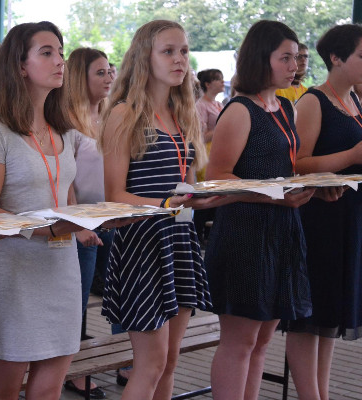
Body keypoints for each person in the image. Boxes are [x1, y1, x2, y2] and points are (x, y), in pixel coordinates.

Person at [0, 21, 131, 400]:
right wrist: (53, 228)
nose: (60, 60)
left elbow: (68, 193)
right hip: (15, 277)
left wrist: (97, 218)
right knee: (4, 394)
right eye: (47, 53)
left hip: (61, 275)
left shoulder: (64, 129)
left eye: (60, 52)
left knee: (48, 392)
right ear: (21, 65)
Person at [99, 20, 224, 400]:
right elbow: (115, 194)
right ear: (144, 57)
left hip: (179, 240)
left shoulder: (182, 112)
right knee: (150, 364)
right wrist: (166, 205)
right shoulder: (124, 114)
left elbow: (184, 186)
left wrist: (202, 197)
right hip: (142, 243)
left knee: (169, 362)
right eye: (168, 51)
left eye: (184, 51)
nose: (179, 59)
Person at [204, 20, 316, 400]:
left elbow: (286, 167)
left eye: (295, 57)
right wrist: (272, 196)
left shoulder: (284, 105)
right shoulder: (238, 109)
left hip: (282, 227)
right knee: (239, 341)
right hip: (245, 230)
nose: (294, 65)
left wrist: (315, 188)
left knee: (263, 339)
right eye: (284, 58)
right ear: (260, 59)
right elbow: (217, 178)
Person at [285, 24, 362, 400]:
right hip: (320, 216)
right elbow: (296, 163)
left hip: (349, 215)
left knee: (331, 315)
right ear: (336, 58)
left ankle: (321, 393)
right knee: (309, 317)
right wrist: (349, 157)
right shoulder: (314, 100)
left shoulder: (355, 100)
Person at [62, 47, 112, 399]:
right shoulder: (67, 120)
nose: (109, 77)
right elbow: (65, 180)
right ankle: (72, 372)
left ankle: (125, 360)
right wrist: (79, 224)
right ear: (81, 77)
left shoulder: (112, 118)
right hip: (80, 223)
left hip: (112, 219)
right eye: (100, 72)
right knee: (75, 302)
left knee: (119, 295)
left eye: (110, 71)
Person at [193, 68, 224, 241]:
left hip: (218, 151)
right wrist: (221, 128)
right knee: (205, 195)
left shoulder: (218, 105)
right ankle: (198, 235)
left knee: (216, 195)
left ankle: (210, 235)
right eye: (218, 79)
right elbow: (199, 136)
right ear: (208, 84)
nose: (222, 83)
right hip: (206, 154)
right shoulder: (200, 106)